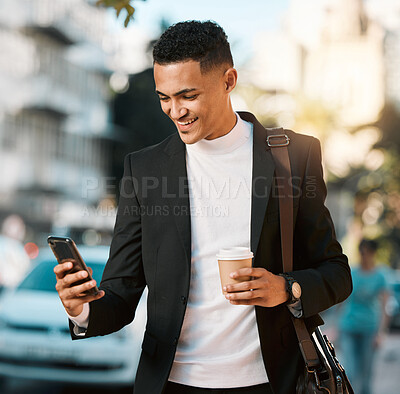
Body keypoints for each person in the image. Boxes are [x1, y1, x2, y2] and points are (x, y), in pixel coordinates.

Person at [54, 21, 352, 394]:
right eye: (164, 98)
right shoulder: (144, 170)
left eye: (187, 96)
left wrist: (286, 288)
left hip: (271, 382)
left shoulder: (293, 157)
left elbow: (337, 273)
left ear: (228, 80)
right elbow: (121, 293)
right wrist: (80, 307)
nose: (175, 111)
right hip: (172, 383)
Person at [338, 239, 389, 394]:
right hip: (349, 328)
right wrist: (335, 325)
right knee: (351, 372)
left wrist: (381, 333)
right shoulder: (352, 273)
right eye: (361, 252)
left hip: (369, 329)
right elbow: (342, 302)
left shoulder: (381, 276)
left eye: (367, 252)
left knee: (366, 376)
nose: (364, 255)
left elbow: (385, 308)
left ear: (373, 253)